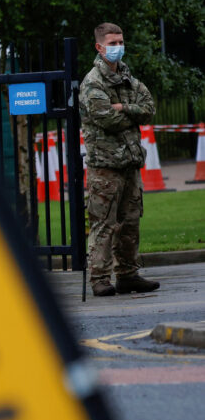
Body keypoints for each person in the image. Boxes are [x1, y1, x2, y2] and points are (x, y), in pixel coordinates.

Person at [79, 22, 160, 296]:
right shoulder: (92, 83)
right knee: (103, 224)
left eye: (120, 42)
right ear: (99, 47)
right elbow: (106, 118)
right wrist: (129, 115)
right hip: (105, 166)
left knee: (130, 222)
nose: (118, 48)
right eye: (112, 43)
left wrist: (124, 106)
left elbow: (149, 110)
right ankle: (100, 278)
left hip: (130, 162)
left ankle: (127, 274)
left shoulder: (127, 76)